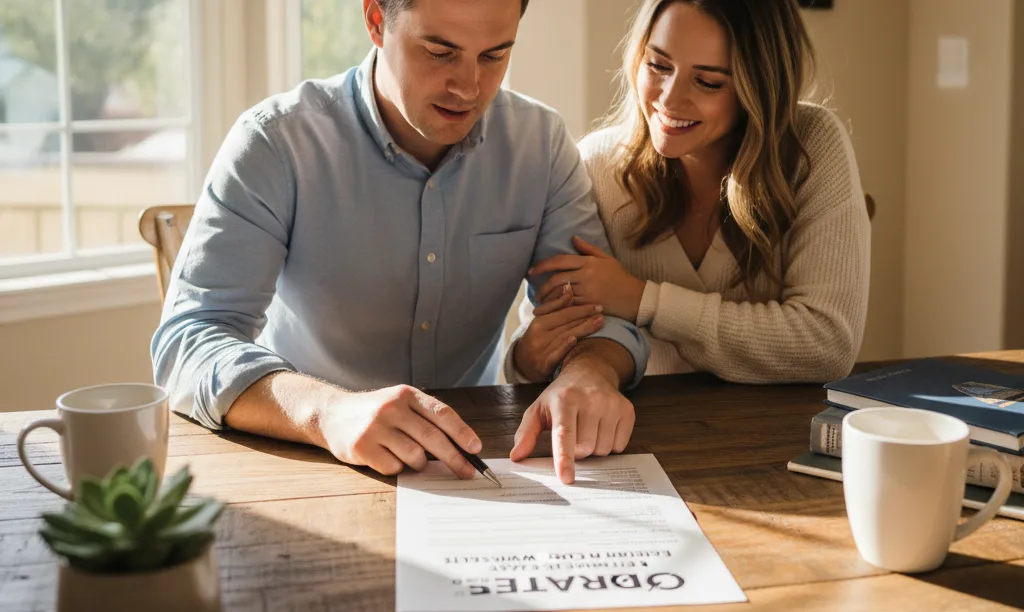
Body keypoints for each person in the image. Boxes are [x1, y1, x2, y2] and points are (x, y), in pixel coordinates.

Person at [152, 0, 650, 486]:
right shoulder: (275, 143)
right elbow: (188, 340)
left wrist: (590, 370)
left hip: (478, 458)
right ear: (374, 19)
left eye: (494, 56)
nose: (469, 87)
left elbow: (592, 319)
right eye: (439, 52)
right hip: (310, 461)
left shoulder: (540, 144)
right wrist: (330, 413)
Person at [507, 0, 869, 386]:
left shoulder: (812, 146)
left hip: (778, 431)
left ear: (759, 87)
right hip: (639, 432)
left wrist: (644, 301)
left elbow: (828, 344)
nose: (669, 99)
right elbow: (543, 345)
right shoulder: (595, 166)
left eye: (708, 82)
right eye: (658, 65)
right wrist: (529, 357)